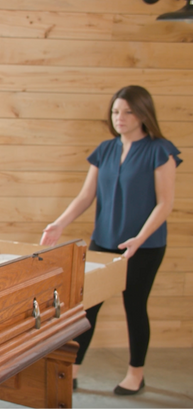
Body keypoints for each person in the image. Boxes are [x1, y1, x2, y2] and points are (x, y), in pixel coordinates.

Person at [40, 85, 182, 395]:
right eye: (116, 111)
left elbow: (165, 203)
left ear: (144, 113)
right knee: (86, 308)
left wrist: (140, 238)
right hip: (103, 241)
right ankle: (73, 367)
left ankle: (136, 373)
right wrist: (59, 223)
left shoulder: (161, 150)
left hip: (144, 246)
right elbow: (85, 196)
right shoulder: (104, 150)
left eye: (128, 111)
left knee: (135, 306)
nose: (120, 117)